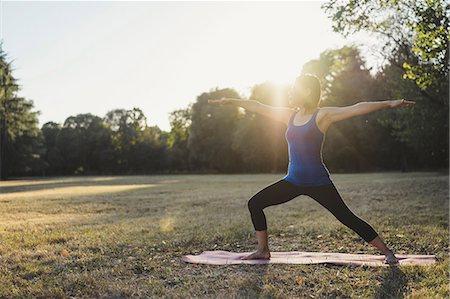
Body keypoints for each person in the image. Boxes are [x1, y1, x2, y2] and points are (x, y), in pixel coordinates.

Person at [208, 73, 416, 265]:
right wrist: (232, 101)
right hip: (293, 181)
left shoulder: (321, 115)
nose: (290, 92)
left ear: (307, 91)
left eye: (295, 88)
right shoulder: (289, 116)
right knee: (255, 203)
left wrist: (389, 103)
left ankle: (387, 252)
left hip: (319, 182)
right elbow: (258, 106)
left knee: (347, 217)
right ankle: (263, 250)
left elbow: (355, 108)